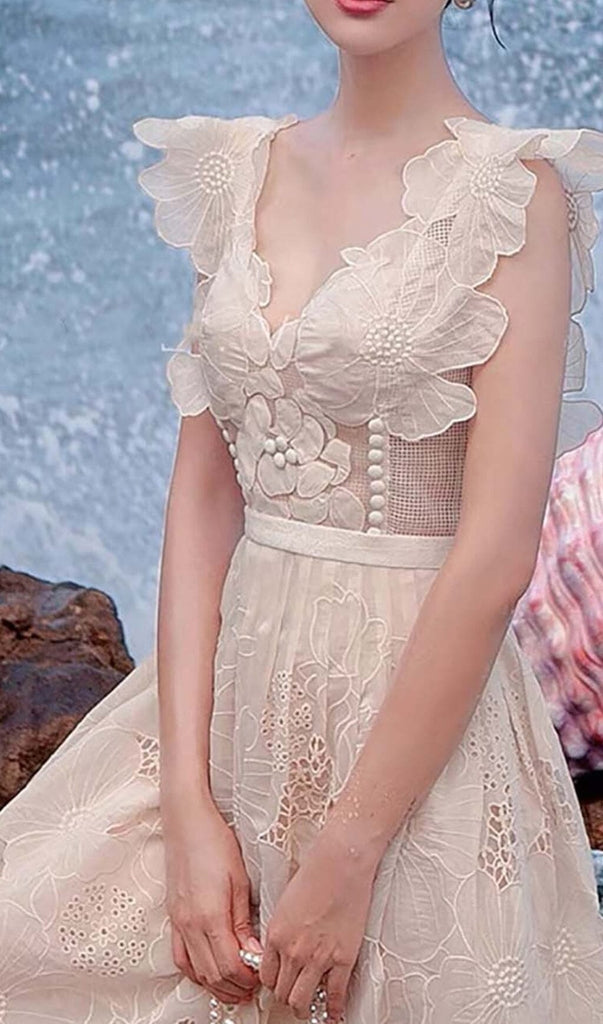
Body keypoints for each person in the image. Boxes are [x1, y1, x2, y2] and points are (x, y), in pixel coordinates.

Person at [1, 0, 603, 1021]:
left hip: (414, 732)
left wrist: (349, 850)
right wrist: (189, 814)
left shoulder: (512, 193)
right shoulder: (236, 172)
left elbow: (496, 555)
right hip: (232, 701)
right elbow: (203, 498)